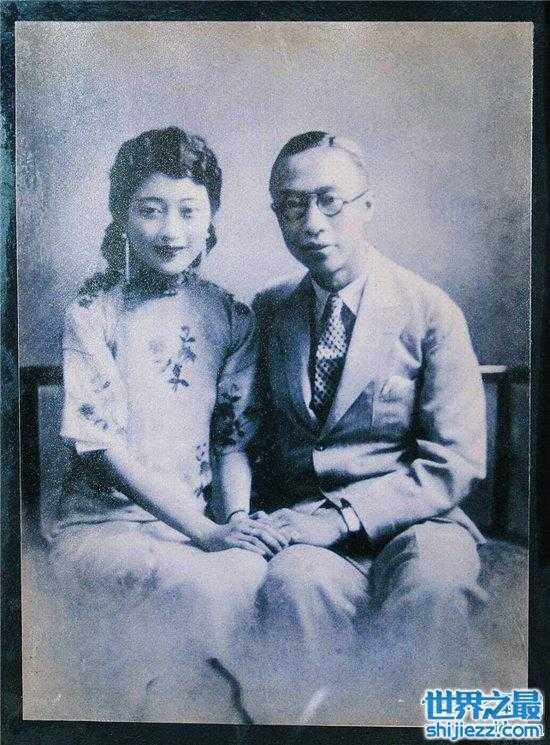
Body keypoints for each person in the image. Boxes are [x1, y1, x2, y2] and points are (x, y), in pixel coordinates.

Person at [235, 131, 488, 724]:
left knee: (436, 583)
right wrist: (248, 517)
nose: (312, 224)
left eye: (330, 201)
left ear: (366, 206)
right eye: (292, 207)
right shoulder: (268, 312)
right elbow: (243, 435)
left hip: (422, 523)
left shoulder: (429, 310)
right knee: (294, 584)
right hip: (306, 529)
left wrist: (343, 517)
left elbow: (454, 461)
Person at [48, 126, 284, 722]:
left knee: (250, 569)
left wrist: (235, 521)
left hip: (197, 525)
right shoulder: (93, 312)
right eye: (151, 210)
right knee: (197, 582)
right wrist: (204, 533)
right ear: (122, 218)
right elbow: (101, 450)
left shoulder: (230, 316)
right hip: (103, 526)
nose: (171, 231)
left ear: (211, 219)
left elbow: (230, 440)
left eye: (188, 211)